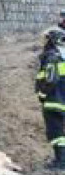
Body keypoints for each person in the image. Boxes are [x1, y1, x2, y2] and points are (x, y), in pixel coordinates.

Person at [38, 29, 65, 170]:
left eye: (47, 39)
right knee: (60, 132)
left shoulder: (51, 57)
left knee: (56, 133)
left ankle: (61, 163)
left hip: (54, 100)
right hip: (62, 100)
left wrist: (42, 95)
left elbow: (50, 79)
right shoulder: (62, 56)